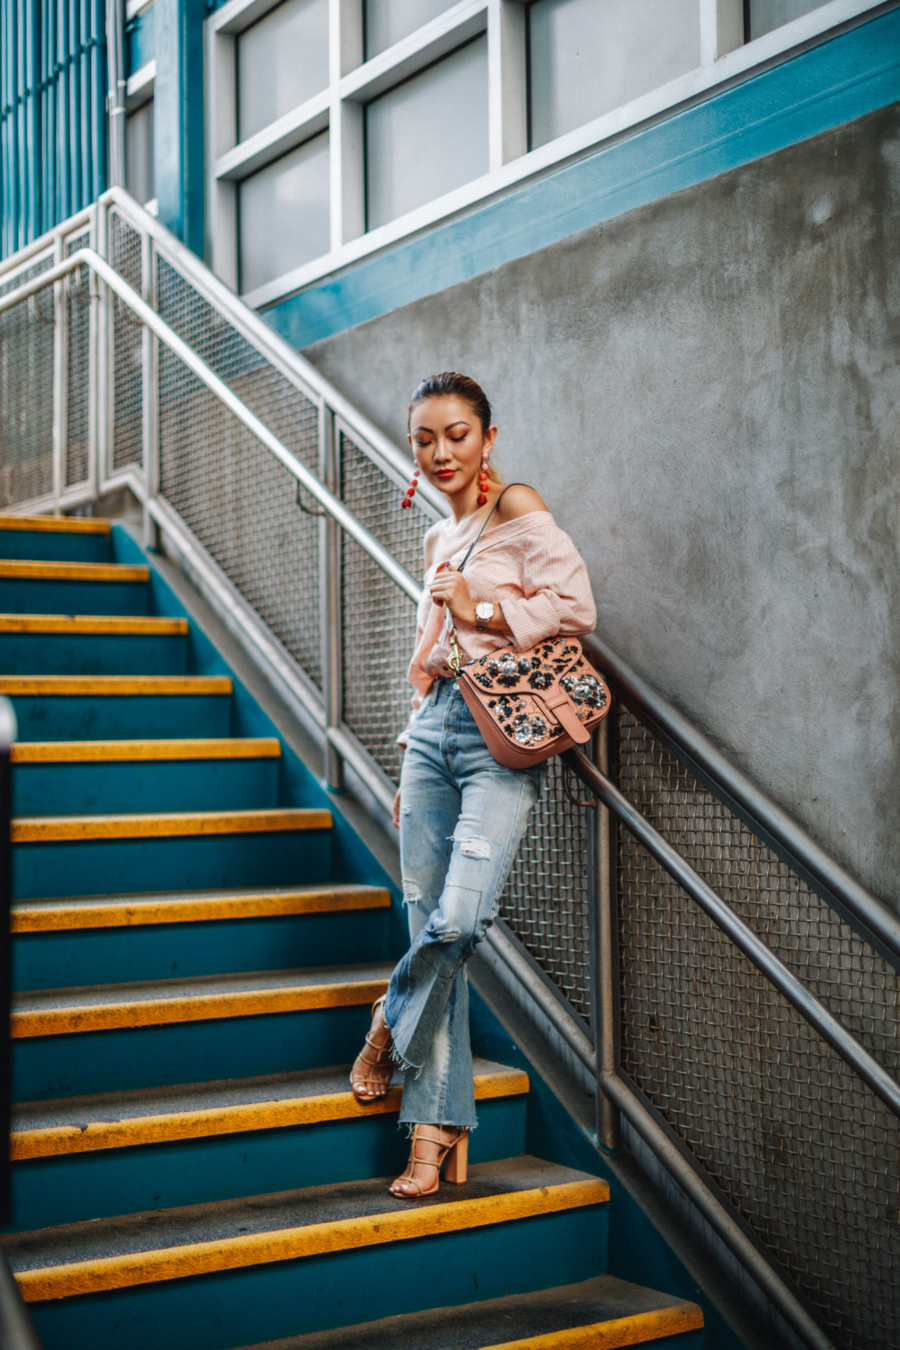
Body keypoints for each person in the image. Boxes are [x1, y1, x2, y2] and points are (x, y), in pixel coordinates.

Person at [349, 373, 596, 1199]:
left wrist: (482, 605)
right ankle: (431, 1129)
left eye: (457, 434)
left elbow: (576, 606)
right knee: (430, 922)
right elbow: (429, 662)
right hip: (433, 737)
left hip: (501, 742)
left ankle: (387, 1017)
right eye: (425, 438)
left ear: (487, 439)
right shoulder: (433, 541)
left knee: (458, 920)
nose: (441, 451)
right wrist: (406, 755)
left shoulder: (518, 509)